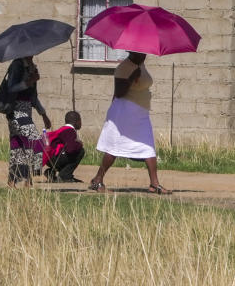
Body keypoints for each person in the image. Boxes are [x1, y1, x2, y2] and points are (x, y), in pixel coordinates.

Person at [89, 52, 171, 194]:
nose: (145, 55)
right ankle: (97, 180)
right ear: (133, 52)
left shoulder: (140, 64)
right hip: (124, 112)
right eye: (142, 53)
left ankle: (154, 184)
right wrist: (132, 77)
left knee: (148, 145)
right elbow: (119, 92)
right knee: (114, 148)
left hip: (140, 113)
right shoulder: (124, 67)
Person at [4, 56, 51, 188]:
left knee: (18, 149)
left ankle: (16, 181)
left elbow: (33, 97)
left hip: (27, 111)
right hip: (15, 111)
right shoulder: (16, 65)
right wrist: (29, 82)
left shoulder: (32, 67)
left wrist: (43, 114)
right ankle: (31, 176)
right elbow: (11, 88)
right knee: (36, 141)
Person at [43, 110, 85, 183]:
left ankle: (50, 172)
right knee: (80, 151)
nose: (81, 123)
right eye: (80, 120)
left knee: (70, 153)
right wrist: (79, 144)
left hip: (50, 159)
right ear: (76, 121)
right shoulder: (70, 131)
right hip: (56, 159)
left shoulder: (63, 129)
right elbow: (70, 149)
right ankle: (64, 176)